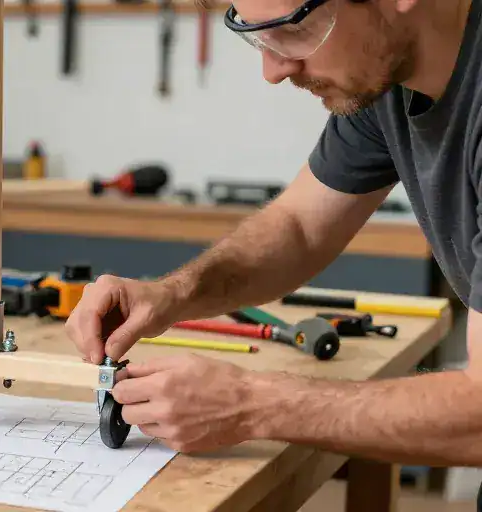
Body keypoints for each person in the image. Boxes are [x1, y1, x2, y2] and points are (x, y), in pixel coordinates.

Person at [66, 0, 482, 473]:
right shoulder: (389, 82)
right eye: (255, 35)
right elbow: (299, 229)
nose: (273, 70)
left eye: (294, 29)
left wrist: (251, 402)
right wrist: (172, 294)